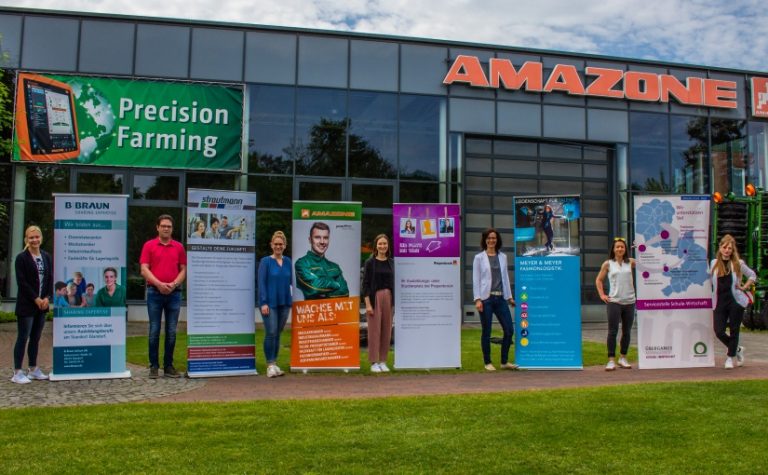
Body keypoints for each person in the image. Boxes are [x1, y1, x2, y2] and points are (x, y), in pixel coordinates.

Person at [140, 214, 187, 378]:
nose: (166, 228)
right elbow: (144, 269)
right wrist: (159, 284)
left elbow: (183, 270)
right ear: (157, 227)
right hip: (154, 292)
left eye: (169, 226)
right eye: (163, 226)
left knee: (171, 332)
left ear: (172, 229)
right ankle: (154, 366)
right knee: (154, 330)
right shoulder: (149, 245)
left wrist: (173, 284)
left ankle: (168, 366)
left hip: (174, 294)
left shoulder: (179, 247)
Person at [12, 225, 53, 384]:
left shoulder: (46, 256)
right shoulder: (21, 258)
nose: (34, 240)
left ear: (41, 238)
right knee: (23, 337)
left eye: (37, 237)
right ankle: (17, 372)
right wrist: (36, 298)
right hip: (27, 305)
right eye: (31, 237)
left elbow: (50, 278)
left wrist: (46, 298)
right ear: (26, 240)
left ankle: (33, 369)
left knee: (35, 338)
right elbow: (22, 282)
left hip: (42, 305)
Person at [472, 228, 517, 371]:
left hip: (500, 298)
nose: (492, 240)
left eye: (494, 238)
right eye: (489, 238)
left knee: (509, 330)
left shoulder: (503, 256)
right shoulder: (479, 258)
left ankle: (504, 362)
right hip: (486, 299)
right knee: (487, 331)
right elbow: (476, 280)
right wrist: (477, 299)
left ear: (497, 240)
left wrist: (509, 297)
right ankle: (487, 362)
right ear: (485, 240)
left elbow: (505, 278)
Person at [709, 234, 756, 369]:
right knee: (719, 331)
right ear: (720, 248)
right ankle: (737, 349)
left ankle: (730, 358)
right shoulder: (714, 263)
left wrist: (744, 287)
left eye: (730, 248)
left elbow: (752, 275)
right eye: (725, 247)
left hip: (736, 301)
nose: (727, 250)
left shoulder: (738, 263)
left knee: (735, 330)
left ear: (732, 250)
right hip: (719, 302)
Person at [595, 237, 636, 371]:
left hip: (629, 301)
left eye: (622, 247)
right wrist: (602, 295)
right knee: (612, 331)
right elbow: (599, 280)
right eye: (617, 247)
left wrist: (641, 248)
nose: (619, 249)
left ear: (625, 250)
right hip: (614, 302)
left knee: (627, 331)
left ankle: (623, 358)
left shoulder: (630, 262)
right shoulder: (607, 264)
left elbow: (647, 262)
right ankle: (611, 360)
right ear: (613, 249)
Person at [258, 231, 292, 378]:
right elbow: (261, 283)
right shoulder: (265, 261)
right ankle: (269, 364)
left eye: (281, 244)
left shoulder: (288, 261)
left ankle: (275, 363)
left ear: (284, 246)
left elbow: (291, 282)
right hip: (269, 303)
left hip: (284, 303)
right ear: (271, 245)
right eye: (276, 244)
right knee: (271, 333)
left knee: (278, 333)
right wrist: (263, 302)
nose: (278, 246)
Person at [362, 234, 395, 373]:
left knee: (386, 331)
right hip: (374, 298)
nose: (382, 246)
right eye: (380, 244)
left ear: (388, 246)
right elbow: (365, 284)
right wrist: (368, 304)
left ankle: (383, 361)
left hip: (389, 297)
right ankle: (374, 362)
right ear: (376, 245)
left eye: (385, 244)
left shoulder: (391, 262)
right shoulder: (370, 263)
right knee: (374, 331)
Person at [295, 222, 349, 300]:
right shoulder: (301, 264)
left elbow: (345, 292)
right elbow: (314, 288)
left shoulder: (335, 267)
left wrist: (322, 290)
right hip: (311, 311)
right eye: (317, 237)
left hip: (334, 312)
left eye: (325, 238)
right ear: (310, 240)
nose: (322, 242)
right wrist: (336, 284)